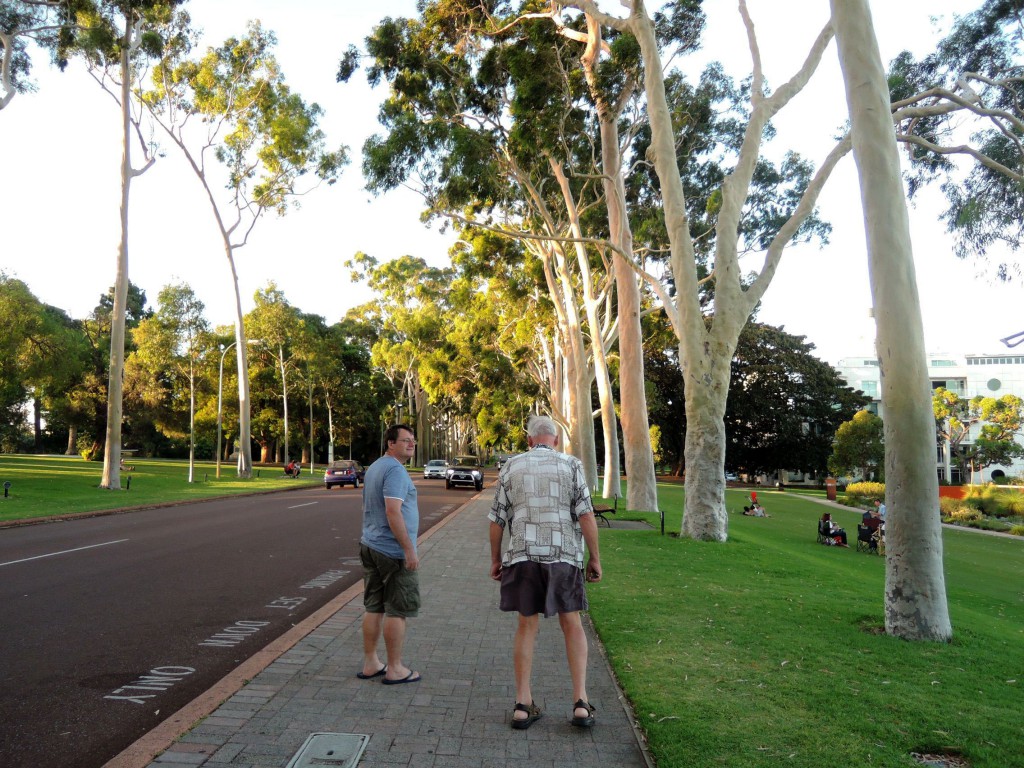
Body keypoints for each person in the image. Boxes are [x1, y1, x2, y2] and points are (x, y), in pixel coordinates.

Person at [489, 414, 602, 731]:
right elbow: (586, 515)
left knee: (527, 626)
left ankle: (523, 705)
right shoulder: (571, 465)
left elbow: (496, 519)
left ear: (529, 441)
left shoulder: (511, 466)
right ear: (555, 440)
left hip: (523, 556)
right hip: (563, 555)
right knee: (572, 624)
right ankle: (580, 702)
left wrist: (495, 559)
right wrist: (595, 558)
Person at [358, 424, 422, 685]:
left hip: (371, 545)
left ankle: (371, 662)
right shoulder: (395, 470)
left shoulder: (375, 466)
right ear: (390, 443)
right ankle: (395, 668)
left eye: (413, 440)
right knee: (397, 610)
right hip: (392, 551)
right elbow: (393, 511)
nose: (411, 444)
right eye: (405, 440)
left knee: (373, 606)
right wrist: (408, 549)